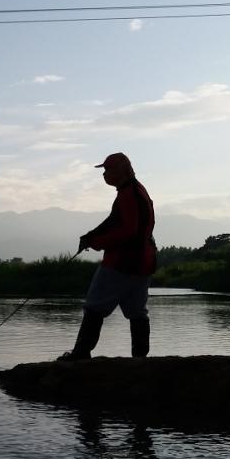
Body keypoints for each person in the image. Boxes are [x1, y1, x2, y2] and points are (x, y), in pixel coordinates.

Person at [59, 153, 156, 360]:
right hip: (143, 263)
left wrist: (96, 242)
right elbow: (114, 221)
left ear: (121, 171)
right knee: (137, 312)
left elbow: (128, 230)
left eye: (108, 170)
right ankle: (140, 360)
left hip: (121, 263)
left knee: (94, 307)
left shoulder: (128, 194)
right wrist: (91, 236)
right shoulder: (136, 190)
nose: (104, 174)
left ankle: (81, 354)